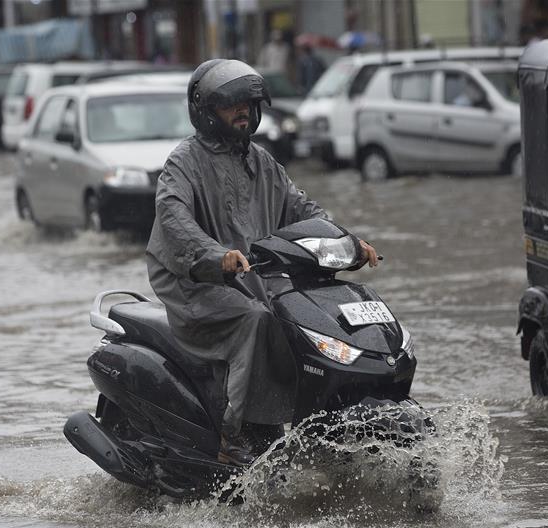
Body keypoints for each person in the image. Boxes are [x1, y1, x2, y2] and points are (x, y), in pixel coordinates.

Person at [145, 59, 379, 466]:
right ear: (205, 111)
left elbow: (302, 208)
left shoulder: (262, 161)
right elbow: (174, 219)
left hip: (254, 278)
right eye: (231, 105)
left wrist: (349, 241)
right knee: (257, 320)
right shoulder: (184, 162)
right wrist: (217, 256)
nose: (243, 113)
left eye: (249, 105)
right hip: (198, 285)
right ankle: (235, 437)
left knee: (313, 317)